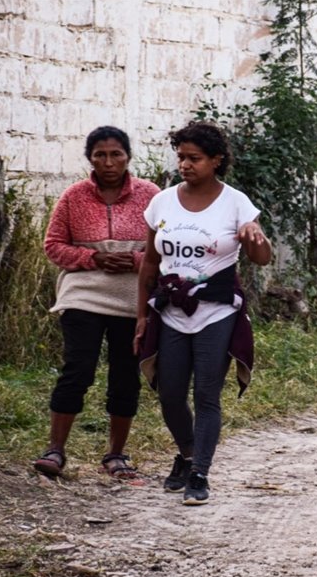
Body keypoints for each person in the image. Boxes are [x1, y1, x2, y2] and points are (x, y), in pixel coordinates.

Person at [134, 121, 271, 506]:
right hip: (171, 310)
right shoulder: (161, 202)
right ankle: (188, 453)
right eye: (181, 157)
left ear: (216, 160)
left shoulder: (236, 203)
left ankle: (200, 473)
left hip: (216, 312)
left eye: (194, 158)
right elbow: (149, 263)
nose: (185, 165)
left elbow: (261, 257)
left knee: (207, 393)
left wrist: (255, 237)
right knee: (170, 394)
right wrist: (142, 315)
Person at [34, 126, 160, 481]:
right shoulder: (74, 197)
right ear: (90, 159)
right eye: (100, 155)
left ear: (128, 157)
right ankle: (55, 450)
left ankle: (116, 455)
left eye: (116, 154)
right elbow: (54, 246)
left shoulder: (152, 196)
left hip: (132, 300)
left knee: (125, 376)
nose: (108, 162)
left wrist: (135, 262)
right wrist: (95, 259)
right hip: (83, 294)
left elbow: (169, 245)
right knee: (78, 369)